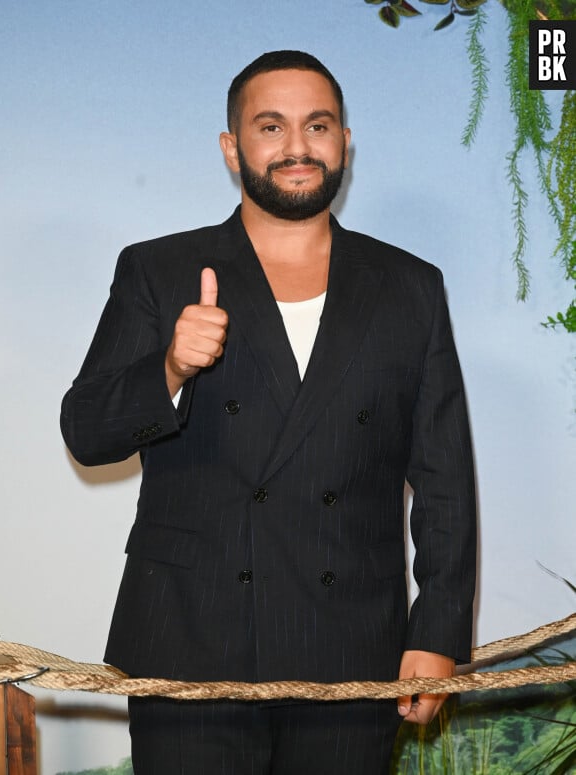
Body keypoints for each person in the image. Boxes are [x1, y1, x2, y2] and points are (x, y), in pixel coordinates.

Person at [61, 50, 476, 775]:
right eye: (270, 126)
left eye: (318, 125)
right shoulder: (159, 269)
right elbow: (87, 432)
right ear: (232, 148)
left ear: (344, 140)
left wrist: (437, 629)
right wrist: (170, 368)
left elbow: (444, 478)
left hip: (352, 650)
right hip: (189, 647)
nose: (297, 147)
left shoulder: (410, 286)